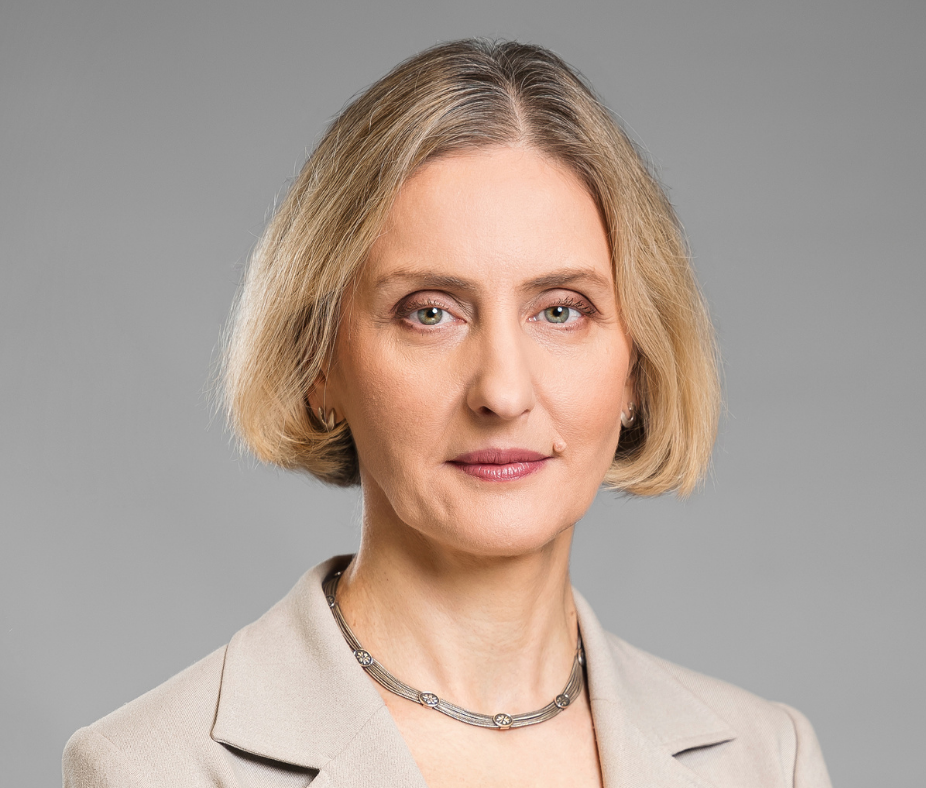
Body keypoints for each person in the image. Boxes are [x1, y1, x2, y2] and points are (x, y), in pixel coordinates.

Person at [63, 39, 832, 787]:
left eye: (561, 310)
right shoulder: (151, 771)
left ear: (638, 365)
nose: (502, 391)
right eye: (430, 312)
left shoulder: (767, 761)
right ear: (318, 365)